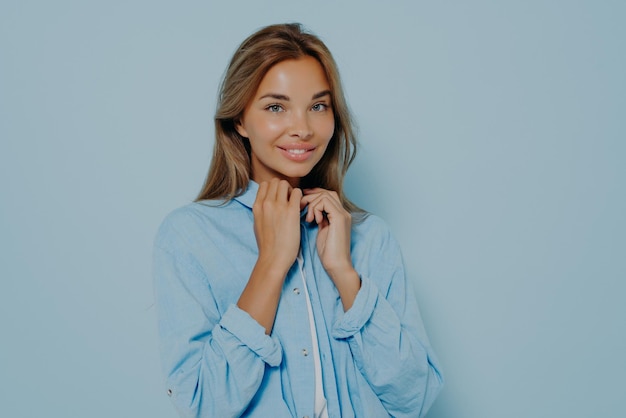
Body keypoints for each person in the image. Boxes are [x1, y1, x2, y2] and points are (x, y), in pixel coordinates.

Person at [153, 23, 443, 418]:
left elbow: (417, 397)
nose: (303, 128)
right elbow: (204, 405)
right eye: (276, 107)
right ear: (239, 120)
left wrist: (344, 272)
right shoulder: (189, 236)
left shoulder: (371, 238)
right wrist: (271, 263)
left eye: (318, 106)